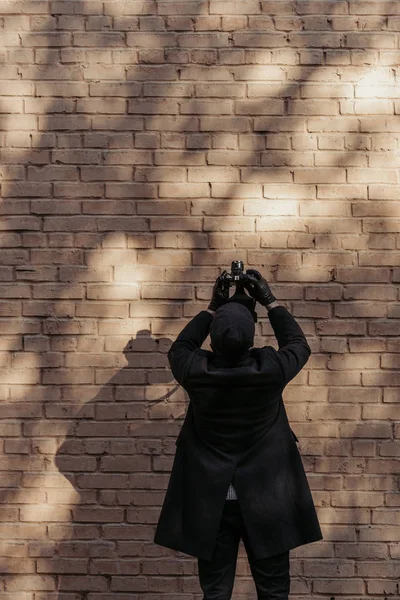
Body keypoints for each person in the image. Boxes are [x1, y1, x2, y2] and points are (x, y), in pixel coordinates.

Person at [153, 269, 323, 600]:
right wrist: (269, 301)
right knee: (273, 592)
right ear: (251, 340)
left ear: (213, 342)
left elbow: (181, 347)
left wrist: (212, 307)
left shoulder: (196, 371)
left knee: (216, 592)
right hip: (268, 498)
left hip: (213, 501)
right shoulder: (271, 370)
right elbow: (298, 344)